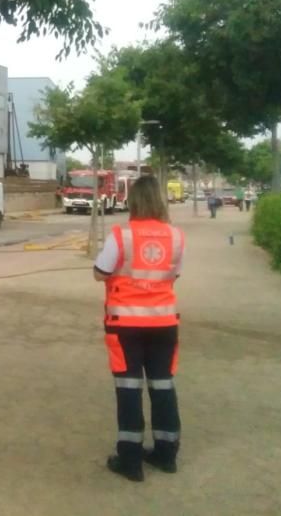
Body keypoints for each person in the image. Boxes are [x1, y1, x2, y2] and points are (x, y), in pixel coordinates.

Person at [93, 175, 185, 481]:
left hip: (126, 326)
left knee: (129, 390)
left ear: (133, 201)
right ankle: (166, 454)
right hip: (164, 324)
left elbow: (100, 273)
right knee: (163, 387)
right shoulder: (176, 236)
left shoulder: (121, 236)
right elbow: (174, 275)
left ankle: (130, 460)